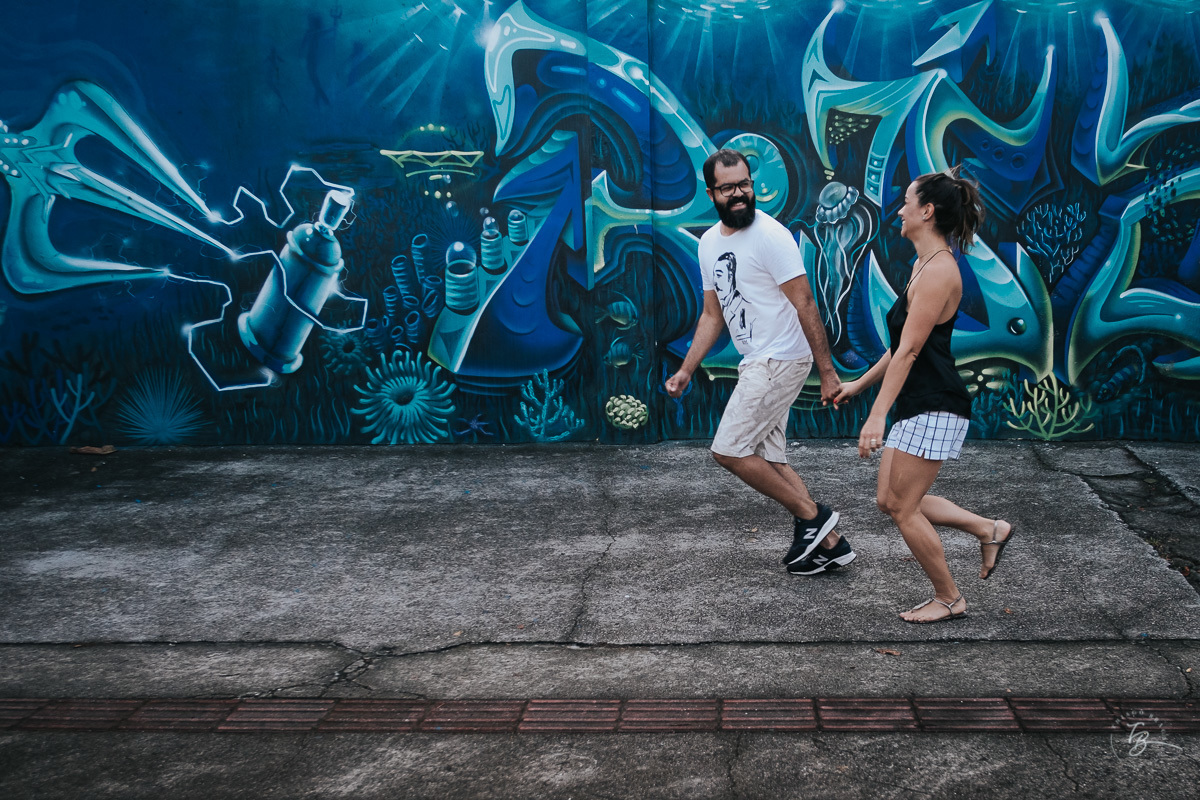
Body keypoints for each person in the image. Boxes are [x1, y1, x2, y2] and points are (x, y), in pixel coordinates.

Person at [833, 166, 1014, 623]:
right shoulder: (923, 264)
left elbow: (912, 351)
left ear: (926, 211)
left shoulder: (939, 274)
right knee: (890, 500)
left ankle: (950, 598)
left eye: (907, 203)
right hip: (920, 403)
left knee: (902, 505)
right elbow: (900, 346)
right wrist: (860, 384)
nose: (899, 210)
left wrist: (876, 416)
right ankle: (986, 528)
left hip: (935, 404)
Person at [665, 148, 852, 575]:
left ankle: (813, 517)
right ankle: (831, 545)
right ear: (711, 192)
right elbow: (713, 315)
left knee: (729, 450)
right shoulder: (709, 244)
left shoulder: (771, 235)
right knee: (771, 460)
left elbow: (805, 302)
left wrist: (828, 372)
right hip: (757, 360)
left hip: (781, 359)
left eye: (745, 184)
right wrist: (686, 369)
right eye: (728, 187)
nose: (739, 194)